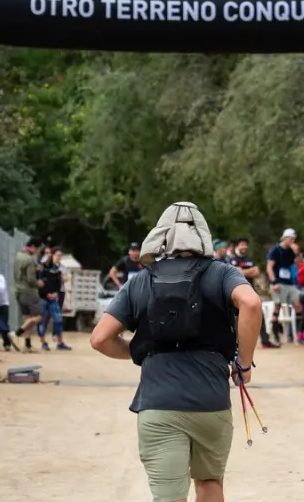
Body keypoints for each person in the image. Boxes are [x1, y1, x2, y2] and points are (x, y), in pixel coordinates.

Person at [90, 201, 262, 502]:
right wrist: (243, 365)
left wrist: (138, 350)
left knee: (169, 497)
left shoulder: (141, 280)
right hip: (211, 403)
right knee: (210, 483)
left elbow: (100, 339)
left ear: (161, 237)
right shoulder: (221, 273)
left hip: (158, 405)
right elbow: (251, 303)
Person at [232, 239, 277, 349]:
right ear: (237, 246)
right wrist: (249, 271)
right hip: (236, 292)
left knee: (259, 315)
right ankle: (234, 344)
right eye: (242, 244)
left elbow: (256, 272)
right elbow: (236, 272)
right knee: (234, 319)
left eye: (245, 245)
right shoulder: (233, 260)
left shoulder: (249, 259)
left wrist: (243, 271)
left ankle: (265, 341)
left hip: (250, 291)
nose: (244, 247)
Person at [266, 229, 301, 344]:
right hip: (279, 282)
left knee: (297, 305)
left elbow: (297, 264)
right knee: (277, 306)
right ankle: (275, 334)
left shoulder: (291, 251)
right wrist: (274, 282)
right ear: (285, 238)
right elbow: (269, 267)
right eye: (291, 239)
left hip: (289, 282)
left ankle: (298, 334)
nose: (292, 241)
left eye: (294, 239)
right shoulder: (276, 250)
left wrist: (297, 253)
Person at [38, 247, 71, 352]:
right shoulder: (40, 268)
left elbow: (59, 282)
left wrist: (55, 293)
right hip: (43, 297)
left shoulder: (56, 269)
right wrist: (46, 293)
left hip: (53, 297)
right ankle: (43, 342)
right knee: (42, 320)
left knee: (58, 319)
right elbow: (38, 284)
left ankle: (60, 342)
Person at [15, 237, 44, 350]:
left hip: (18, 290)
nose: (36, 252)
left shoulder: (18, 256)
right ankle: (17, 332)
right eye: (37, 249)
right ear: (32, 247)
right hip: (29, 291)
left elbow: (22, 273)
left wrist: (35, 269)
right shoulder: (29, 259)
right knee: (38, 317)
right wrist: (39, 284)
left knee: (28, 317)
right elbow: (31, 279)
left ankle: (27, 344)